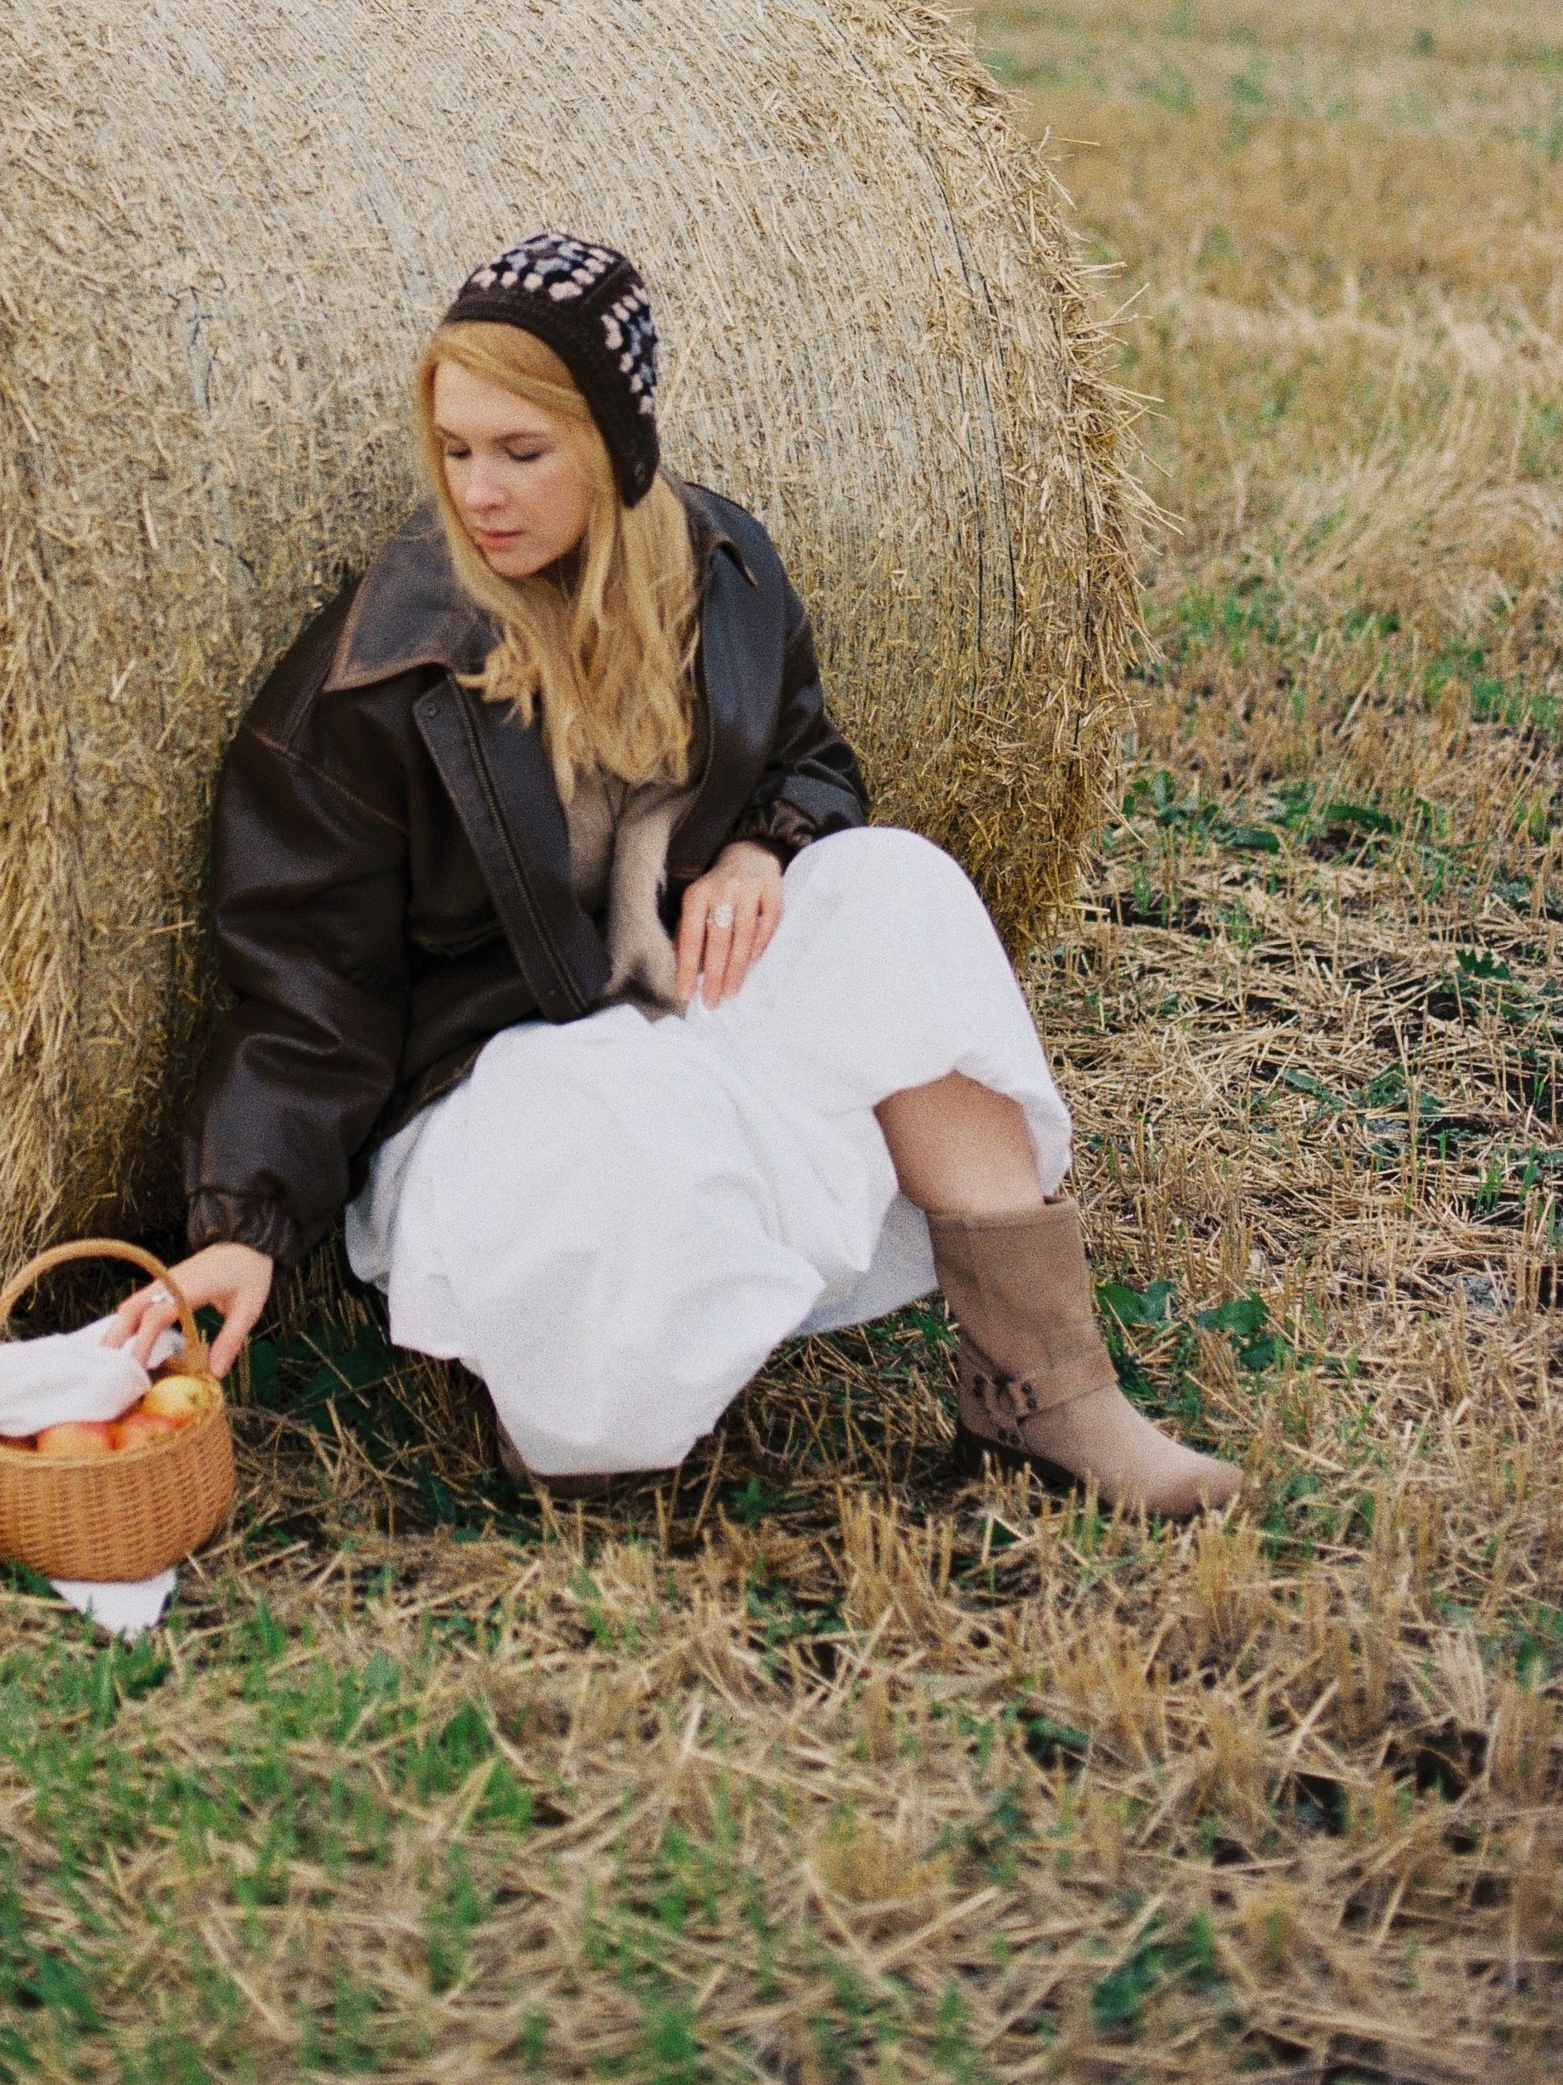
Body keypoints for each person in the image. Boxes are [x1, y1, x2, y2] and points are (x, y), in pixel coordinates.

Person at [113, 231, 1240, 1515]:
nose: (480, 492)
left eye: (522, 453)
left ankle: (1046, 1393)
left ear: (618, 440)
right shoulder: (382, 676)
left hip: (673, 1003)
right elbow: (309, 988)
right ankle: (599, 1429)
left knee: (895, 891)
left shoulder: (723, 574)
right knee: (615, 1123)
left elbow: (812, 756)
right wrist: (240, 1230)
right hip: (497, 1078)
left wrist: (764, 846)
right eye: (456, 450)